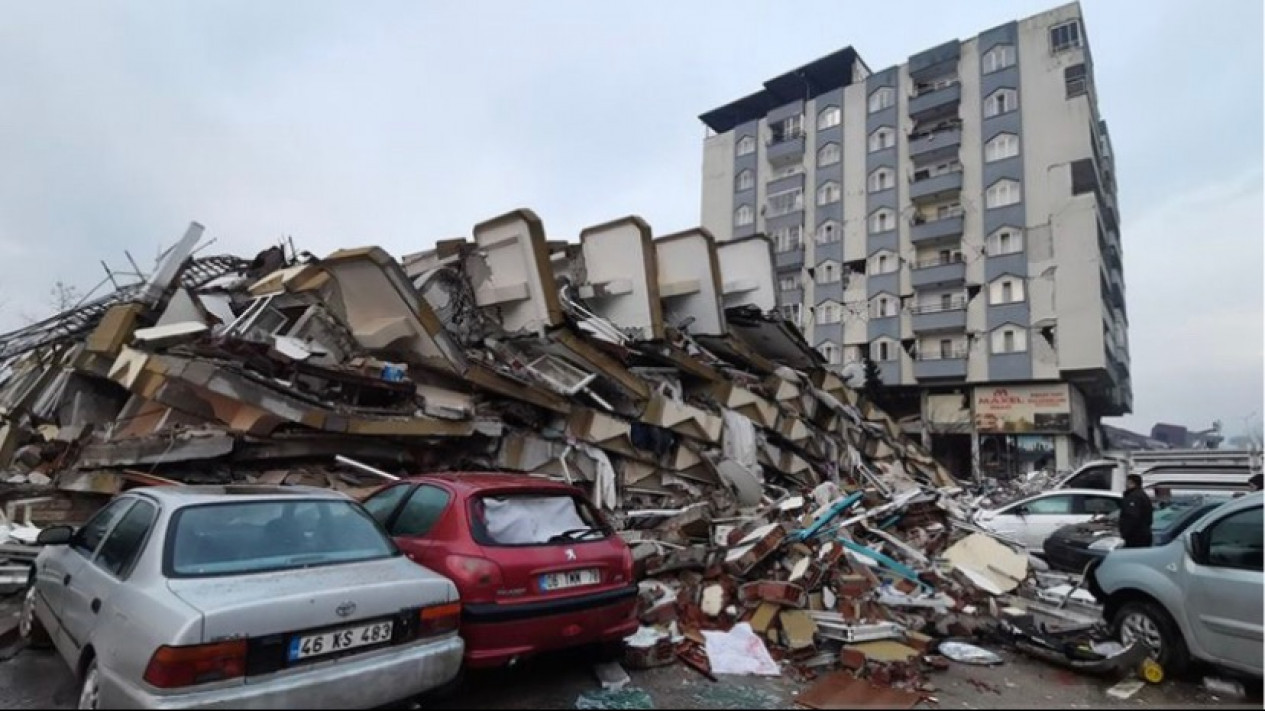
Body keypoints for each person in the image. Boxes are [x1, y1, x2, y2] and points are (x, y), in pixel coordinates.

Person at [1119, 474, 1154, 549]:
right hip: (1143, 534)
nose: (1125, 485)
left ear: (1131, 482)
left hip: (1135, 536)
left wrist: (1124, 533)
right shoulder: (1143, 495)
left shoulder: (1134, 497)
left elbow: (1131, 517)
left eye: (1127, 482)